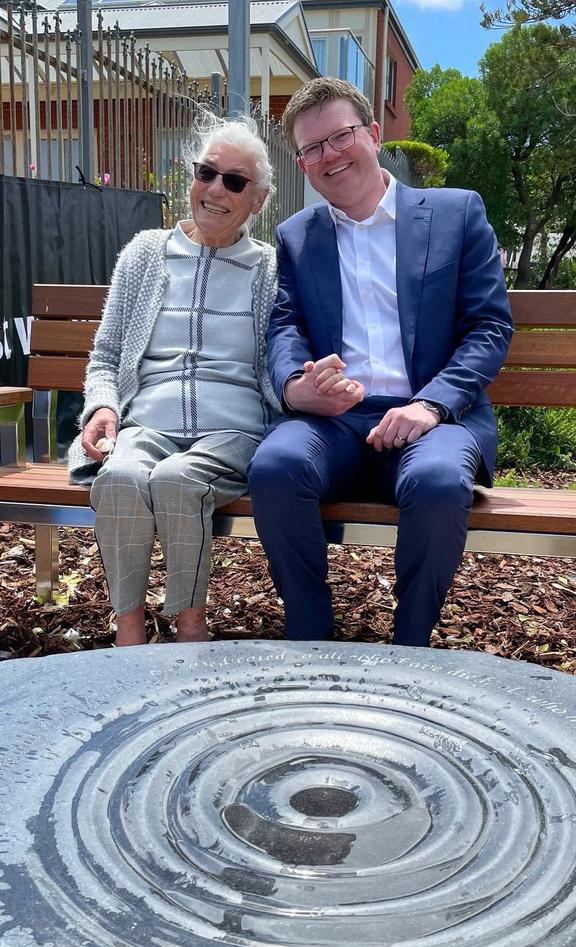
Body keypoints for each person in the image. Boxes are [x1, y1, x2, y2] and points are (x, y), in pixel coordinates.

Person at [247, 77, 514, 647]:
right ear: (301, 163)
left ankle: (410, 647)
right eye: (310, 148)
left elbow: (489, 326)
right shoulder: (296, 235)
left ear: (372, 133)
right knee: (275, 467)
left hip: (431, 420)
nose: (328, 156)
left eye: (339, 136)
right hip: (337, 421)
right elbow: (285, 325)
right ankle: (310, 637)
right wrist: (297, 387)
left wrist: (432, 405)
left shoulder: (455, 214)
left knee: (441, 481)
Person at [69, 112, 280, 645]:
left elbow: (284, 365)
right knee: (118, 478)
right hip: (147, 424)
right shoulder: (144, 254)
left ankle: (190, 625)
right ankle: (129, 630)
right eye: (206, 172)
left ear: (258, 199)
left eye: (234, 181)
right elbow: (107, 354)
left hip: (232, 432)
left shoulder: (270, 270)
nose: (214, 189)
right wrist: (102, 408)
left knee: (176, 480)